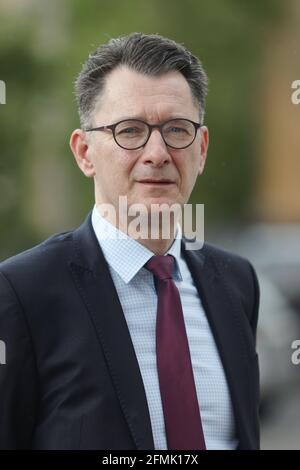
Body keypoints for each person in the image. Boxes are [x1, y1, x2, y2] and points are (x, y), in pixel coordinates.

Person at [0, 33, 260, 450]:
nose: (157, 153)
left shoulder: (237, 283)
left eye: (177, 129)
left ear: (203, 148)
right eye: (130, 130)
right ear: (85, 152)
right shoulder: (21, 293)